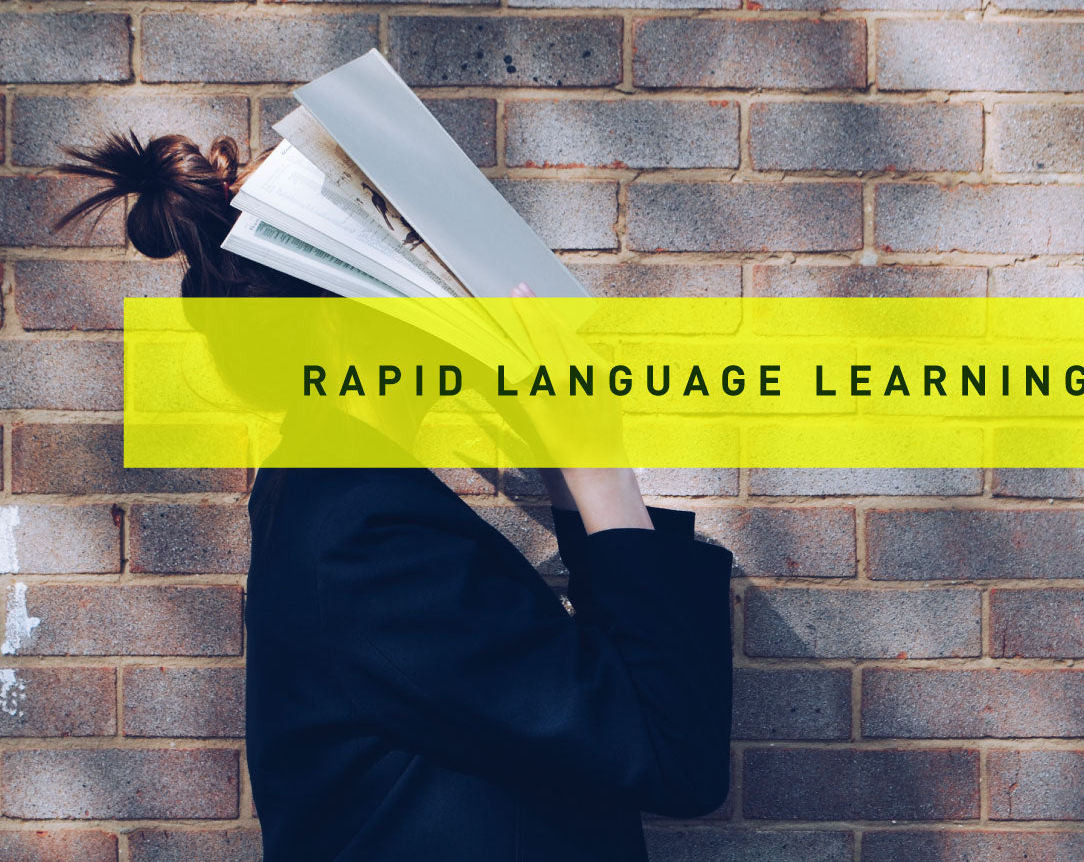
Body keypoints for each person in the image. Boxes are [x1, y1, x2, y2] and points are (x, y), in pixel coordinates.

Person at [55, 130, 736, 861]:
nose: (451, 281)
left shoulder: (331, 495)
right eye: (412, 255)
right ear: (341, 328)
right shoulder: (369, 543)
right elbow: (671, 752)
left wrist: (560, 462)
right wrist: (595, 457)